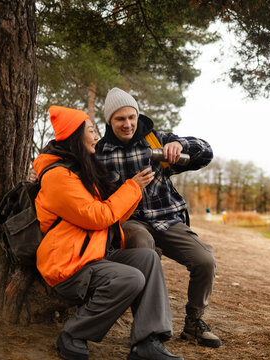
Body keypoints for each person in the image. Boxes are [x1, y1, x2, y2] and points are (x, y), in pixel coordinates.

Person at [33, 105, 183, 360]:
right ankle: (73, 333)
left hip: (92, 254)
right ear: (75, 136)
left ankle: (147, 341)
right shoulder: (59, 177)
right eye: (91, 131)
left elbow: (108, 217)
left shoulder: (79, 169)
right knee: (130, 278)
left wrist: (132, 192)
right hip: (69, 264)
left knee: (148, 259)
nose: (95, 137)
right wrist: (132, 187)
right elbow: (97, 216)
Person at [95, 88, 221, 348]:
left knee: (205, 260)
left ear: (137, 115)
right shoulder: (100, 152)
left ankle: (193, 323)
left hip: (167, 219)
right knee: (144, 251)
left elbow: (206, 152)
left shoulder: (157, 140)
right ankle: (148, 331)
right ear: (110, 121)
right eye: (120, 119)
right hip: (130, 222)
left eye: (131, 116)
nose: (128, 124)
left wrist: (181, 145)